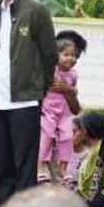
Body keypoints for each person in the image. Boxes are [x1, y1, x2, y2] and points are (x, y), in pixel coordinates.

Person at [0, 0, 59, 206]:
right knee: (1, 165)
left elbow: (50, 54)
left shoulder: (36, 11)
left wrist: (37, 89)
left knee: (24, 167)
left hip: (25, 101)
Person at [39, 30, 85, 184]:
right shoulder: (48, 69)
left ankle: (62, 167)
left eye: (75, 56)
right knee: (46, 136)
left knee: (66, 137)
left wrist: (69, 90)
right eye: (67, 54)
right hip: (45, 116)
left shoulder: (72, 75)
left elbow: (75, 109)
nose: (71, 59)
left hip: (63, 118)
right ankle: (41, 165)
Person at [72, 113, 104, 199]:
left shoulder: (98, 151)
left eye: (76, 130)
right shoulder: (94, 149)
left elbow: (89, 181)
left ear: (85, 131)